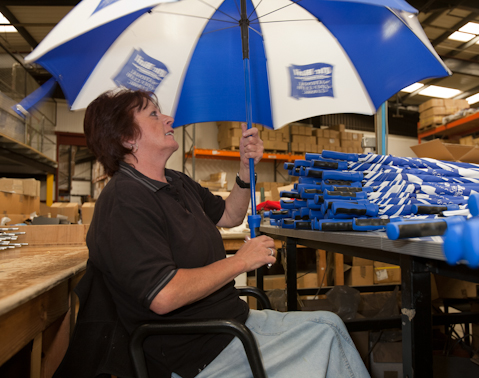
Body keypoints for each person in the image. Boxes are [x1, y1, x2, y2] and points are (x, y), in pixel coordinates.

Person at [80, 88, 371, 378]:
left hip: (228, 323)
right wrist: (241, 261)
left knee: (329, 323)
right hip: (198, 350)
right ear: (128, 138)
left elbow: (230, 215)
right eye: (154, 114)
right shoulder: (125, 200)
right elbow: (164, 294)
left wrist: (246, 168)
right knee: (328, 333)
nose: (168, 119)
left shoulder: (175, 181)